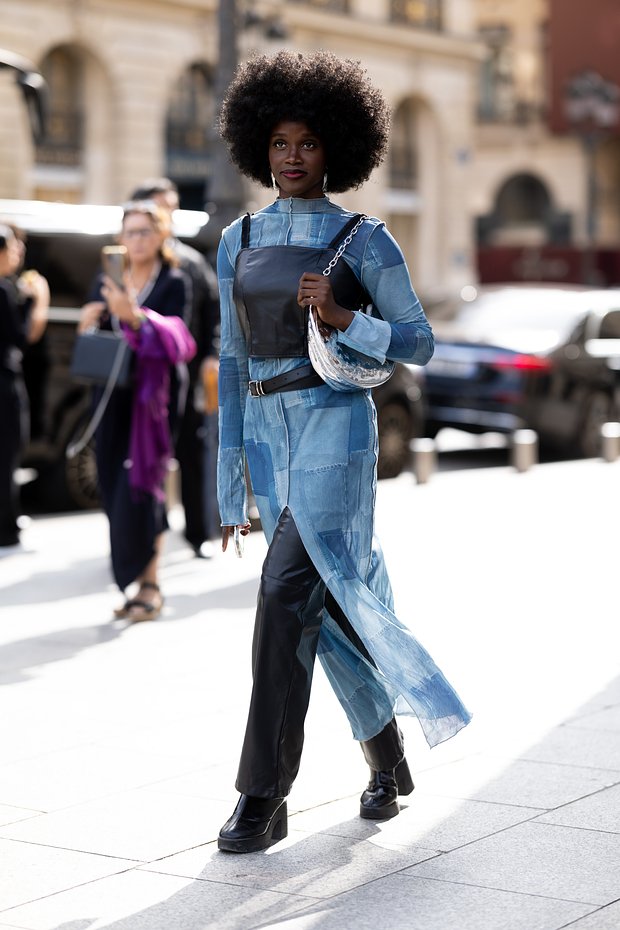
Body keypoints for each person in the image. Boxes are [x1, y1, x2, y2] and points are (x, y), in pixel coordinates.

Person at [215, 50, 471, 854]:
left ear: (337, 151)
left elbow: (421, 342)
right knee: (333, 615)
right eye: (280, 142)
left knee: (283, 597)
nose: (292, 157)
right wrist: (231, 485)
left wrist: (344, 318)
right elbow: (229, 361)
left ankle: (262, 795)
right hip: (266, 434)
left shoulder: (365, 238)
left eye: (309, 143)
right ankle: (388, 755)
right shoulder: (240, 236)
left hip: (337, 434)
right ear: (261, 145)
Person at [78, 201, 196, 620]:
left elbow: (179, 341)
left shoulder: (175, 281)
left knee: (145, 481)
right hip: (112, 393)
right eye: (130, 232)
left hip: (154, 398)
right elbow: (94, 337)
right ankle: (130, 579)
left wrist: (136, 318)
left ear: (161, 235)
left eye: (145, 231)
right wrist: (89, 321)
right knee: (111, 482)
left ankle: (150, 583)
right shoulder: (107, 280)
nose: (137, 239)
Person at [129, 178, 221, 557]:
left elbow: (213, 314)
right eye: (159, 205)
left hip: (185, 377)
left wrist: (212, 357)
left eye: (171, 205)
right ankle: (147, 534)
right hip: (142, 380)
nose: (167, 213)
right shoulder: (128, 261)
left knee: (192, 453)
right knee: (143, 458)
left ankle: (198, 534)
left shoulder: (190, 261)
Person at [0, 224, 49, 549]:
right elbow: (20, 337)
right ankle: (6, 528)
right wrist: (37, 301)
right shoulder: (3, 289)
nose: (19, 255)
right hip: (3, 386)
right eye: (15, 249)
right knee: (7, 456)